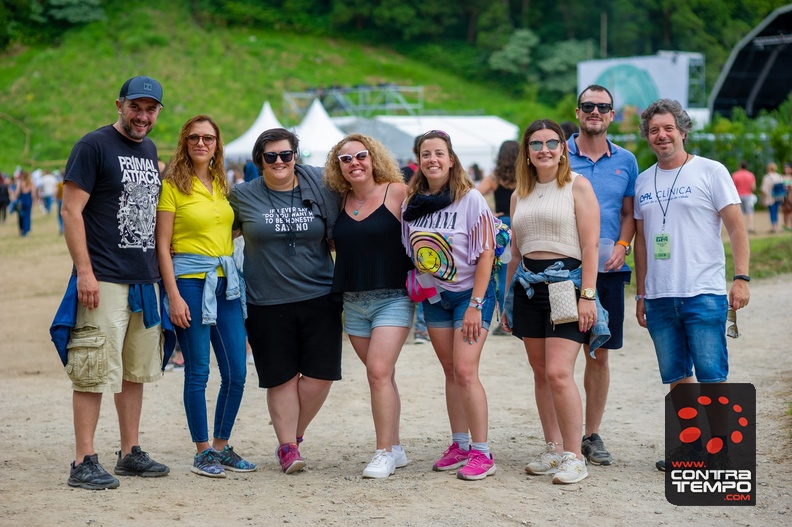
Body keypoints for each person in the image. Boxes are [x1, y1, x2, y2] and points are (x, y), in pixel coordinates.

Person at [57, 76, 170, 490]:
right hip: (103, 278)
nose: (143, 116)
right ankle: (83, 460)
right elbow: (71, 212)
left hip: (143, 279)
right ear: (119, 105)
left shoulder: (151, 150)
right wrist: (84, 272)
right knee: (93, 369)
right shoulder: (93, 146)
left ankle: (130, 452)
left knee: (134, 372)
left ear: (158, 111)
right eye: (135, 107)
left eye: (151, 109)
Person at [632, 99, 750, 471]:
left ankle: (720, 451)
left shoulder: (711, 171)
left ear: (682, 130)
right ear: (648, 137)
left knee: (712, 375)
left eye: (668, 128)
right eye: (654, 130)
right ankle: (693, 448)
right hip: (660, 296)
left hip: (704, 292)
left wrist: (742, 278)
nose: (661, 135)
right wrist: (641, 292)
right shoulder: (643, 180)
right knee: (677, 377)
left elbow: (736, 229)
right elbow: (642, 242)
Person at [229, 128, 342, 474]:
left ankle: (294, 434)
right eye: (271, 156)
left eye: (286, 155)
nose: (279, 162)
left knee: (320, 376)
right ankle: (288, 447)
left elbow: (340, 236)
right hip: (266, 301)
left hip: (320, 295)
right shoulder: (242, 196)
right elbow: (220, 231)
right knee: (280, 377)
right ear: (259, 160)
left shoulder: (323, 190)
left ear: (296, 156)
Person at [501, 119, 601, 485]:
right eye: (536, 144)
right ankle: (553, 447)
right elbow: (514, 253)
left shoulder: (578, 186)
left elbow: (591, 246)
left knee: (559, 373)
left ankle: (575, 456)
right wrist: (506, 300)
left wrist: (587, 296)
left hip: (566, 287)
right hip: (528, 288)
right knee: (541, 374)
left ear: (563, 148)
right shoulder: (518, 195)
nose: (544, 149)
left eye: (552, 142)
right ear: (526, 152)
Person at [156, 115, 255, 478]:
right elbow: (162, 247)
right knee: (197, 370)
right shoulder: (172, 186)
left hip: (225, 284)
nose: (202, 143)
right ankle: (201, 452)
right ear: (185, 141)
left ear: (217, 144)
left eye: (209, 138)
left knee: (237, 371)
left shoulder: (221, 182)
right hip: (191, 284)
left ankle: (220, 445)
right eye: (195, 137)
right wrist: (173, 295)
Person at [401, 130, 498, 481]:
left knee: (466, 371)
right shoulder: (410, 205)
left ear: (451, 159)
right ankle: (459, 445)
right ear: (419, 161)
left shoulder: (470, 199)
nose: (433, 160)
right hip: (435, 298)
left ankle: (482, 452)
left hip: (472, 295)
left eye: (439, 153)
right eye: (426, 154)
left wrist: (475, 304)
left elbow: (487, 253)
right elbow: (413, 254)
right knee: (450, 371)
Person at [324, 134, 414, 478]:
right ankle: (396, 447)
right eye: (346, 160)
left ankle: (383, 452)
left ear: (373, 157)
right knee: (383, 376)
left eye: (360, 156)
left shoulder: (397, 192)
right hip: (353, 303)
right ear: (338, 168)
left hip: (393, 298)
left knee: (377, 372)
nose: (355, 163)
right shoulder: (340, 200)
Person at [566, 85, 639, 466]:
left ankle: (591, 435)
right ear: (578, 112)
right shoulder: (556, 154)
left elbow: (630, 214)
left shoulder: (626, 160)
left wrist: (624, 245)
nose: (595, 111)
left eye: (603, 107)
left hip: (609, 271)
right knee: (557, 360)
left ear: (611, 116)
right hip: (561, 270)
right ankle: (560, 439)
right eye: (589, 106)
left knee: (597, 354)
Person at [477, 140, 518, 335]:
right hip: (521, 224)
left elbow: (475, 195)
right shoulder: (524, 177)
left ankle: (505, 319)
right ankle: (520, 317)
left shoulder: (495, 178)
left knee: (502, 275)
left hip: (502, 228)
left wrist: (491, 215)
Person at [731, 161, 757, 233]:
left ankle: (741, 228)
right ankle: (750, 226)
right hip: (748, 195)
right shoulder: (750, 175)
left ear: (740, 166)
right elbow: (753, 187)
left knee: (740, 212)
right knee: (750, 211)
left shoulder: (735, 175)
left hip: (738, 196)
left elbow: (732, 187)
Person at [760, 162, 784, 234]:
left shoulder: (767, 177)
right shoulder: (779, 176)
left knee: (772, 211)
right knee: (776, 211)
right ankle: (776, 225)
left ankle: (774, 227)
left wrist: (763, 198)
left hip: (770, 197)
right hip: (779, 196)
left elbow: (764, 189)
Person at [11, 170, 35, 236]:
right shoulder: (30, 183)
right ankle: (26, 230)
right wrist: (33, 201)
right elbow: (33, 194)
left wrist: (13, 198)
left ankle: (22, 229)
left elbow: (17, 193)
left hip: (22, 201)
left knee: (21, 216)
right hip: (28, 201)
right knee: (27, 216)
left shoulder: (20, 183)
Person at [780, 162, 792, 231]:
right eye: (785, 168)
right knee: (785, 211)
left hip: (791, 196)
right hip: (784, 196)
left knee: (791, 211)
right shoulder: (781, 177)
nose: (786, 169)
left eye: (787, 168)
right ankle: (785, 225)